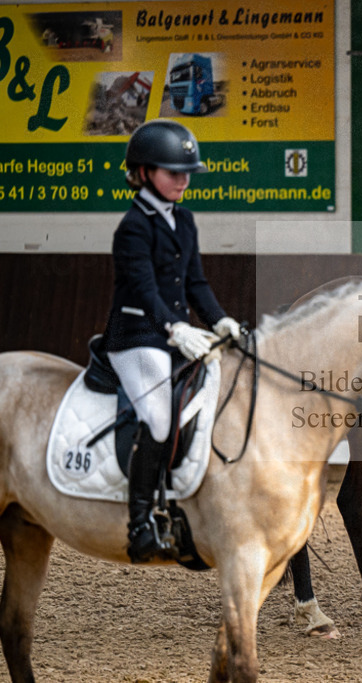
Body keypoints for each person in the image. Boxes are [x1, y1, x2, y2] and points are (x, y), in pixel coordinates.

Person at [101, 118, 241, 563]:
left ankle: (186, 508)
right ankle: (140, 522)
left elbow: (196, 283)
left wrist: (221, 322)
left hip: (175, 335)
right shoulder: (133, 226)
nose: (182, 180)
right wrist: (175, 329)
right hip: (137, 336)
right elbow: (144, 289)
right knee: (161, 419)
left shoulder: (184, 219)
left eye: (186, 172)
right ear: (143, 172)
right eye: (171, 171)